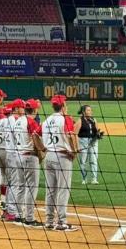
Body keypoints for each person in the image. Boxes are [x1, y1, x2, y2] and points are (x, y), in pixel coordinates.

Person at [42, 94, 79, 231]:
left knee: (50, 190)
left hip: (49, 156)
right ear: (63, 106)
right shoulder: (65, 119)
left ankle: (49, 221)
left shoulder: (47, 120)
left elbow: (35, 134)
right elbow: (70, 135)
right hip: (62, 157)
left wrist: (42, 149)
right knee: (63, 190)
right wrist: (74, 151)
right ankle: (61, 222)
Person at [13, 98, 45, 227]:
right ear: (35, 110)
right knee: (31, 187)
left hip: (18, 156)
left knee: (20, 186)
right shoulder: (31, 122)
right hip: (29, 156)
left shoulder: (18, 120)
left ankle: (18, 215)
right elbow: (35, 139)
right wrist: (42, 151)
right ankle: (30, 218)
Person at [0, 103, 15, 218]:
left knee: (3, 178)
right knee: (11, 181)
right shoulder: (12, 121)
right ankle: (9, 208)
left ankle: (3, 204)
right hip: (7, 152)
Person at [77, 104, 104, 185]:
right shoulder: (80, 121)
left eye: (90, 110)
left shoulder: (94, 120)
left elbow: (96, 131)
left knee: (93, 160)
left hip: (93, 142)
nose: (90, 111)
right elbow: (76, 133)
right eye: (88, 110)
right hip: (83, 141)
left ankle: (94, 179)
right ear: (83, 112)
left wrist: (98, 135)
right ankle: (84, 179)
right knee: (83, 161)